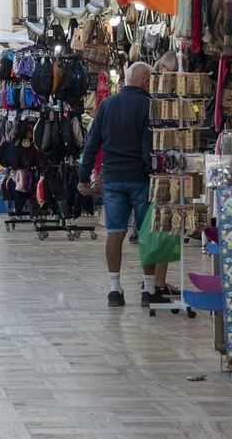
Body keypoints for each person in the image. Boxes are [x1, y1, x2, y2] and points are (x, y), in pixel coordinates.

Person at [77, 60, 164, 308]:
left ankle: (115, 289)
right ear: (147, 81)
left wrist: (84, 177)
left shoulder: (107, 105)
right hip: (141, 180)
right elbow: (149, 146)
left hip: (113, 179)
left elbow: (92, 143)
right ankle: (148, 290)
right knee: (147, 233)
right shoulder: (148, 106)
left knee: (115, 233)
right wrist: (154, 173)